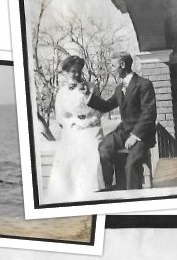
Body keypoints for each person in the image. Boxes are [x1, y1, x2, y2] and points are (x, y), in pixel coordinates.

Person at [86, 52, 158, 191]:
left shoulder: (144, 84)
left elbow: (148, 114)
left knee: (131, 164)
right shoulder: (119, 88)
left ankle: (133, 198)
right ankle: (109, 186)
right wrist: (88, 95)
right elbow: (106, 106)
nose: (111, 69)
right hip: (124, 131)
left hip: (142, 134)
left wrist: (135, 137)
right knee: (104, 148)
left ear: (122, 65)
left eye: (113, 65)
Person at [46, 56, 105, 203]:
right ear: (66, 73)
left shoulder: (91, 87)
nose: (77, 75)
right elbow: (60, 116)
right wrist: (72, 122)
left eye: (79, 71)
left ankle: (92, 193)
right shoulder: (62, 93)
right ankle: (70, 195)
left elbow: (99, 110)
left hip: (91, 128)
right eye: (73, 72)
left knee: (91, 151)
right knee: (68, 154)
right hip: (72, 129)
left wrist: (89, 122)